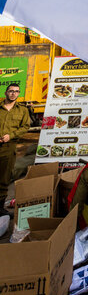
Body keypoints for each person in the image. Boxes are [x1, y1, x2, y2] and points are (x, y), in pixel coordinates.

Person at [0, 83, 30, 216]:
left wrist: (10, 136)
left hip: (8, 147)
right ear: (6, 92)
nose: (13, 93)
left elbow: (25, 127)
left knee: (4, 178)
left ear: (18, 94)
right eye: (11, 91)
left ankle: (0, 208)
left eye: (16, 91)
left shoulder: (22, 110)